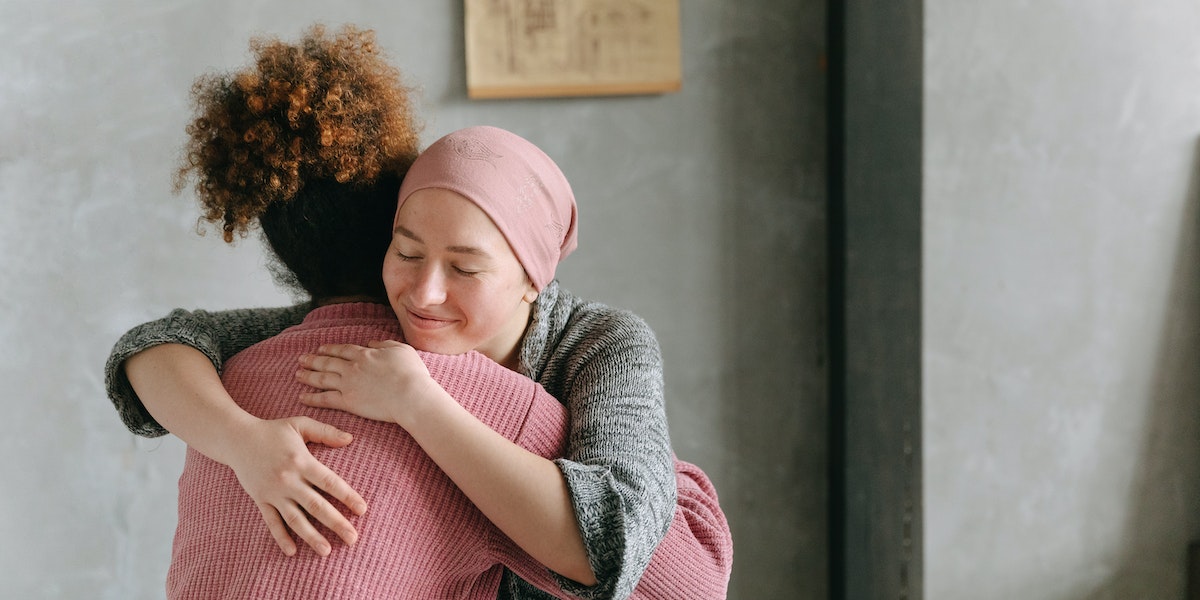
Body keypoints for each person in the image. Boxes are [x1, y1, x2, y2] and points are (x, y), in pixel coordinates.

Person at [107, 25, 732, 600]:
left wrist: (420, 405)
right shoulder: (377, 321)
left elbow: (637, 551)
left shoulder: (600, 344)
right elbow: (158, 345)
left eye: (465, 268)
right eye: (406, 253)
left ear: (532, 281)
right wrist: (245, 443)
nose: (424, 293)